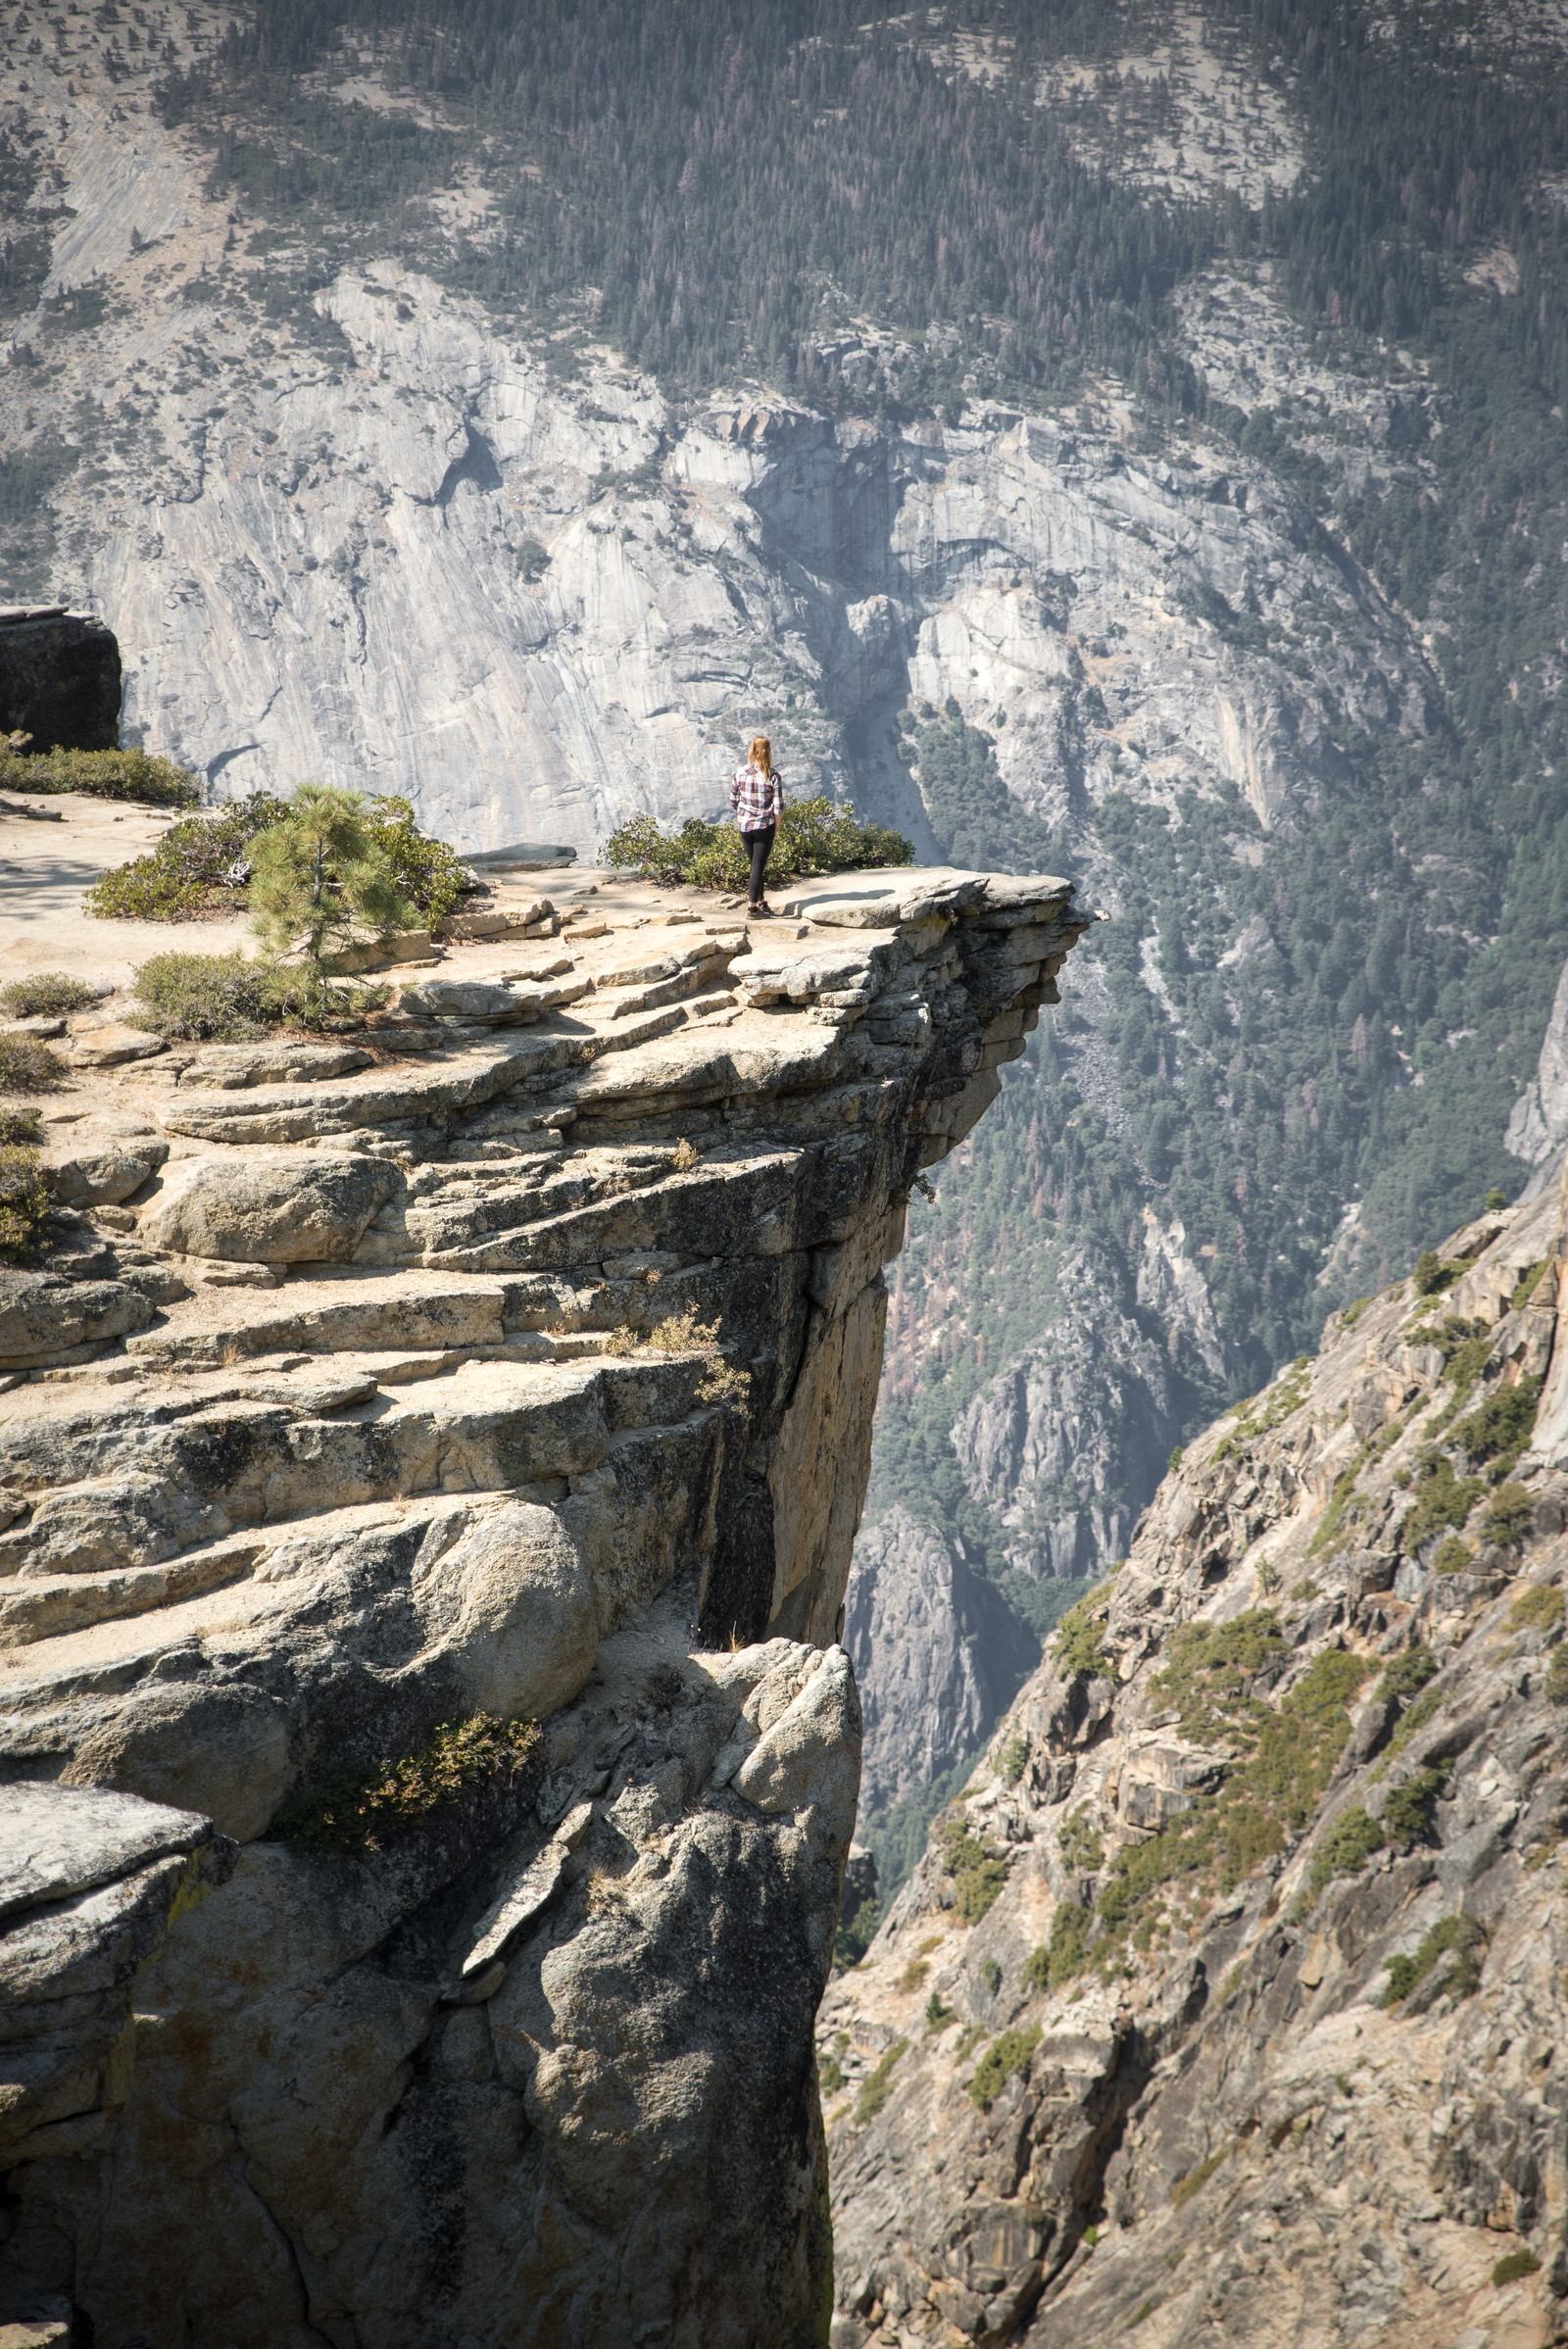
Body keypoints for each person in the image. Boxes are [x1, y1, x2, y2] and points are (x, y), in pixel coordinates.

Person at [729, 733, 784, 916]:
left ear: (752, 750)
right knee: (758, 866)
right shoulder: (773, 776)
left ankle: (761, 901)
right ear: (768, 752)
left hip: (744, 826)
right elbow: (778, 807)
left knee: (755, 865)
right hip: (764, 826)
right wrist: (775, 829)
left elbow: (733, 799)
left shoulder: (739, 772)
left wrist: (744, 813)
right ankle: (752, 907)